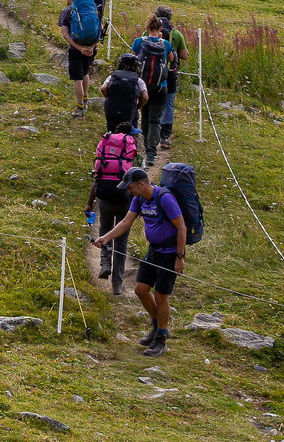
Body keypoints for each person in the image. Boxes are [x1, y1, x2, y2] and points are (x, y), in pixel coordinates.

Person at [93, 167, 187, 356]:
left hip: (169, 254)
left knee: (161, 296)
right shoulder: (139, 199)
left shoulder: (165, 198)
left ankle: (161, 339)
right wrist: (106, 237)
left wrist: (179, 257)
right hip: (153, 251)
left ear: (141, 184)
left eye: (130, 187)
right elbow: (125, 223)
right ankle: (158, 326)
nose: (128, 191)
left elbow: (182, 227)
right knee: (141, 289)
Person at [84, 124, 137, 294]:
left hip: (105, 198)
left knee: (105, 229)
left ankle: (105, 263)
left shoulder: (105, 149)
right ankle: (117, 284)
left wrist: (89, 203)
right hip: (124, 199)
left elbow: (96, 179)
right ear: (129, 136)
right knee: (121, 242)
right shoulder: (130, 154)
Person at [130, 17, 174, 166]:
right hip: (161, 86)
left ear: (147, 28)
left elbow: (132, 58)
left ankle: (145, 144)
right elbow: (171, 58)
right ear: (160, 29)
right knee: (156, 119)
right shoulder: (166, 44)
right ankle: (151, 152)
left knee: (145, 115)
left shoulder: (139, 42)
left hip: (143, 85)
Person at [58, 0, 98, 114]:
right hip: (91, 48)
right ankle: (85, 99)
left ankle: (79, 107)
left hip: (76, 49)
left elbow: (65, 34)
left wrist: (80, 48)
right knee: (85, 72)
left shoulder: (67, 11)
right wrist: (91, 47)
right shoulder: (92, 9)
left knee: (77, 78)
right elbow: (99, 33)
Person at [156, 5, 188, 151]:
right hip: (170, 72)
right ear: (170, 18)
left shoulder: (149, 30)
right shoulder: (176, 34)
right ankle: (165, 136)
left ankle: (151, 133)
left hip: (153, 72)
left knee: (152, 101)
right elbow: (184, 55)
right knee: (169, 103)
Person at [98, 52, 148, 146]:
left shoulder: (113, 76)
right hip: (129, 112)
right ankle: (129, 156)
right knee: (130, 137)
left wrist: (109, 97)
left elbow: (103, 88)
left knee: (111, 134)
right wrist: (138, 106)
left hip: (112, 110)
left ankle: (111, 154)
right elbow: (145, 97)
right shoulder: (138, 80)